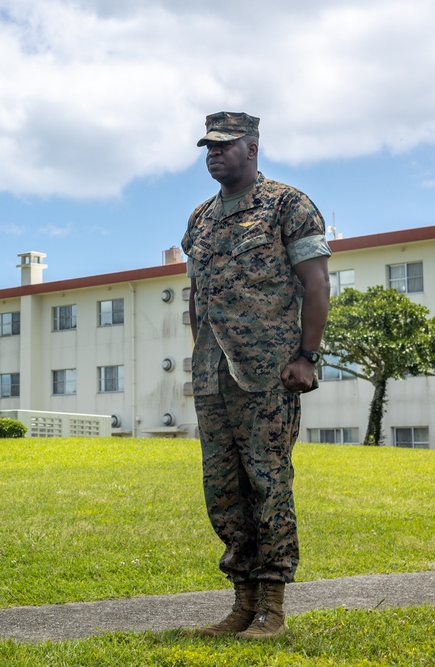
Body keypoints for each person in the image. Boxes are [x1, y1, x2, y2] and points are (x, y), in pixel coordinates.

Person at [181, 112, 331, 640]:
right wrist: (199, 351)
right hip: (211, 375)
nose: (213, 154)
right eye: (208, 147)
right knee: (222, 490)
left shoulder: (287, 204)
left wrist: (307, 356)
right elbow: (197, 295)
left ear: (253, 147)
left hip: (268, 372)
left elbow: (315, 284)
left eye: (225, 145)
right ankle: (242, 603)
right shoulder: (200, 219)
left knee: (268, 484)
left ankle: (273, 606)